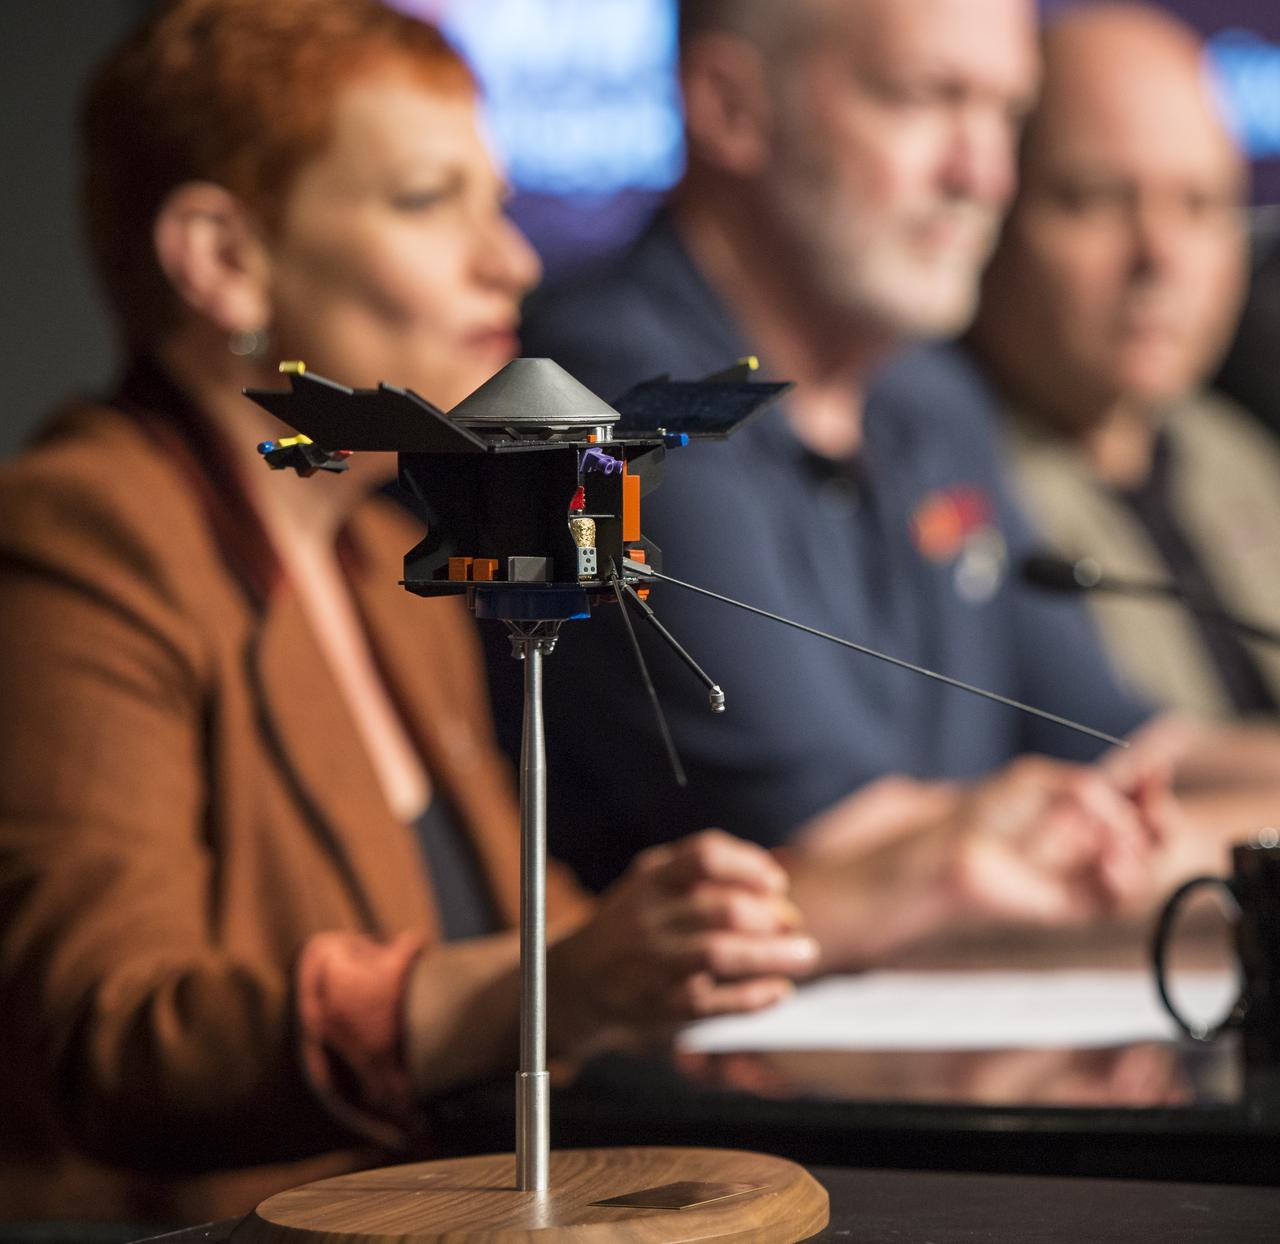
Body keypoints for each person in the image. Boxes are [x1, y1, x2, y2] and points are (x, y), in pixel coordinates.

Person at [0, 0, 823, 1226]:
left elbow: (533, 940)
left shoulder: (392, 557)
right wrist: (556, 985)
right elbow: (108, 1040)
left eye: (493, 202)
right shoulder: (83, 533)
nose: (515, 262)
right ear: (222, 256)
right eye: (430, 201)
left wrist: (735, 930)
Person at [517, 0, 1280, 959]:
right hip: (697, 1099)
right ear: (729, 107)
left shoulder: (927, 395)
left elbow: (1129, 751)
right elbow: (876, 861)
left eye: (1004, 115)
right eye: (928, 100)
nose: (982, 175)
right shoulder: (601, 406)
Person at [969, 2, 1280, 720]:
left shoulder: (1241, 457)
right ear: (993, 209)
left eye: (1201, 205)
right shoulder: (938, 482)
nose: (1160, 257)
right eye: (1097, 200)